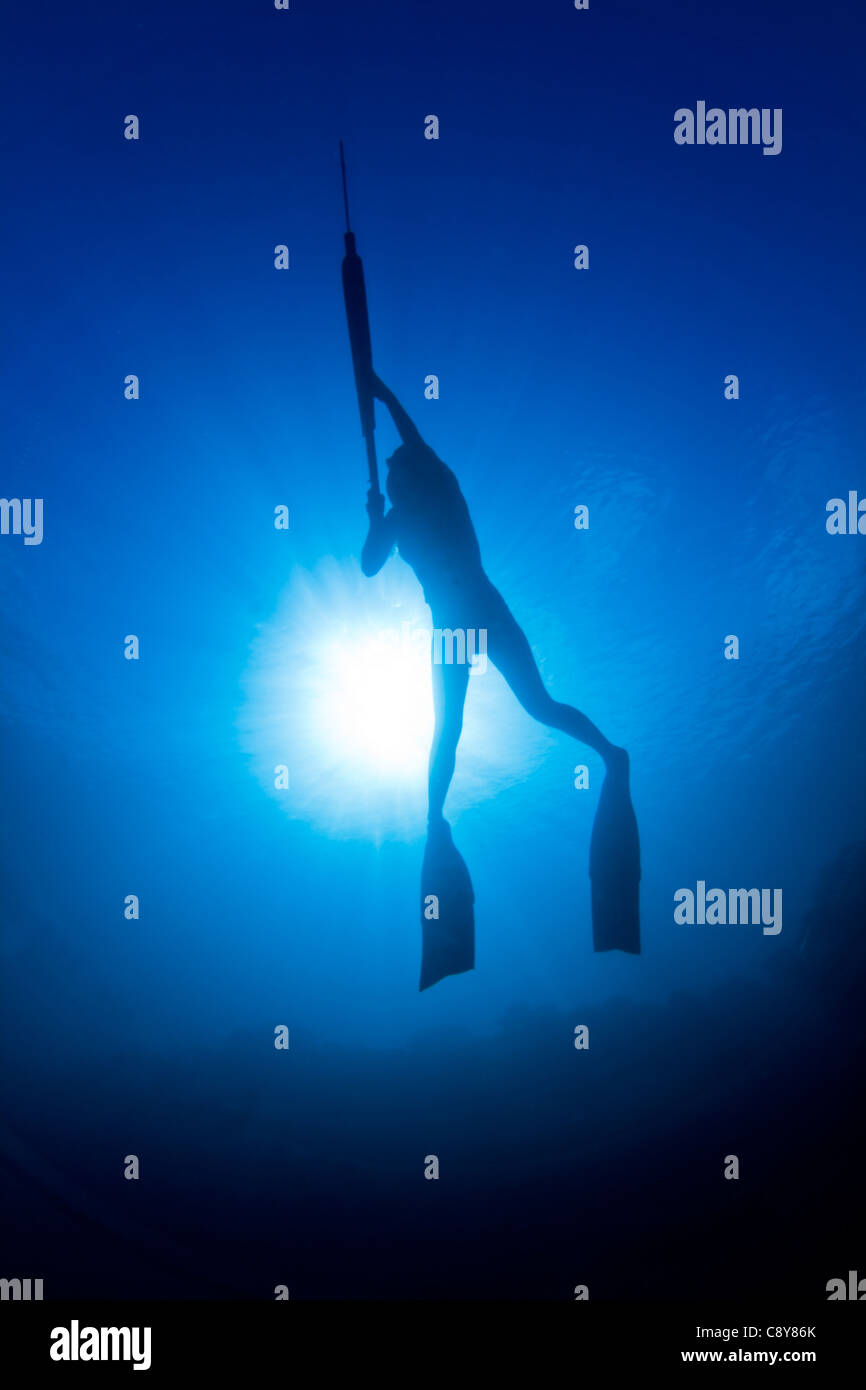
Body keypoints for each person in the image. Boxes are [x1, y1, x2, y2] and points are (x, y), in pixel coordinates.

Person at [361, 372, 628, 830]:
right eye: (389, 474)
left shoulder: (442, 487)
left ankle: (610, 753)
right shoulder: (397, 520)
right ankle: (434, 817)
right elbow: (368, 565)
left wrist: (385, 395)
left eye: (395, 469)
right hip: (449, 626)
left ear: (413, 471)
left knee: (537, 704)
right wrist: (373, 518)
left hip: (484, 608)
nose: (391, 474)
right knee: (447, 727)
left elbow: (412, 436)